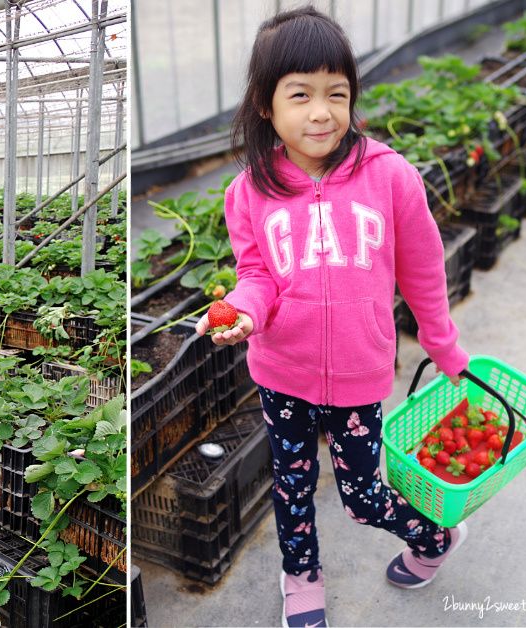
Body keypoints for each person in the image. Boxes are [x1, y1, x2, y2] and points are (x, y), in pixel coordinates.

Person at [194, 7, 471, 627]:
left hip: (359, 373)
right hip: (280, 373)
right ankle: (301, 579)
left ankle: (434, 538)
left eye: (335, 94)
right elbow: (257, 276)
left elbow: (423, 270)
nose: (321, 112)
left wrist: (445, 347)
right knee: (290, 490)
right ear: (266, 106)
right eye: (300, 95)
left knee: (363, 498)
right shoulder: (249, 192)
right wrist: (241, 312)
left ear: (351, 98)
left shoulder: (390, 177)